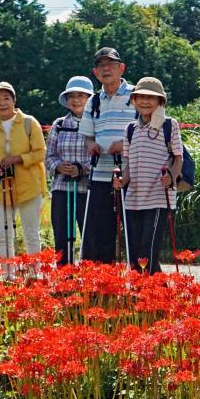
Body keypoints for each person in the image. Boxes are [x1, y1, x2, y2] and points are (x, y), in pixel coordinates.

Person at [112, 77, 182, 274]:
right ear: (133, 100)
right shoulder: (130, 130)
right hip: (133, 198)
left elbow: (178, 159)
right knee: (134, 255)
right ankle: (152, 296)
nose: (145, 101)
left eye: (151, 97)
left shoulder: (169, 125)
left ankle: (149, 298)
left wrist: (172, 177)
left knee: (148, 253)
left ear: (161, 102)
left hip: (159, 196)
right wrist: (120, 181)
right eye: (140, 96)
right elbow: (128, 166)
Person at [78, 47, 137, 263]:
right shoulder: (93, 101)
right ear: (95, 72)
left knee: (133, 232)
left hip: (131, 175)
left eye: (110, 64)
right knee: (101, 233)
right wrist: (91, 144)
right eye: (101, 65)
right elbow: (87, 137)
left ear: (121, 68)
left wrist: (125, 144)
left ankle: (139, 287)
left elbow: (149, 130)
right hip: (100, 175)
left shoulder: (137, 95)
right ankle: (106, 288)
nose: (106, 69)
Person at [0, 81, 46, 276]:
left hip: (29, 187)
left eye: (6, 98)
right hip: (3, 189)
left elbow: (40, 152)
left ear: (14, 100)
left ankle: (35, 274)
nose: (2, 103)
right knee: (4, 234)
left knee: (30, 233)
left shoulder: (29, 122)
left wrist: (18, 159)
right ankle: (7, 274)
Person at [46, 76, 93, 266]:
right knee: (62, 238)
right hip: (61, 188)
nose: (76, 100)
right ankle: (64, 281)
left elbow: (101, 156)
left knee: (90, 236)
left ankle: (90, 284)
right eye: (71, 96)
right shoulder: (59, 124)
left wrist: (81, 169)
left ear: (90, 98)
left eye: (81, 95)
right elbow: (48, 156)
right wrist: (58, 166)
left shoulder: (96, 124)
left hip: (88, 189)